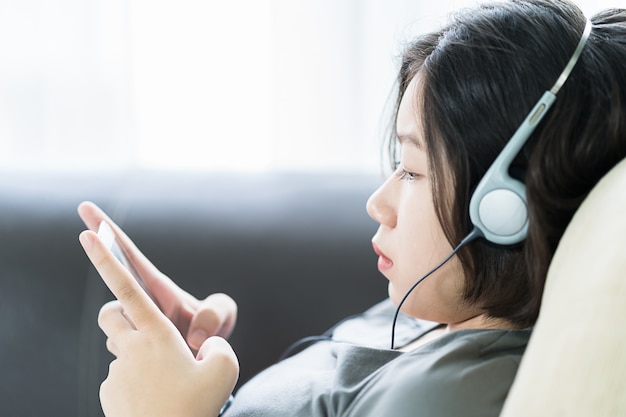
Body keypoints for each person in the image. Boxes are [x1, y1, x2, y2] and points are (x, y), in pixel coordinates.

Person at [78, 0, 626, 416]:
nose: (378, 202)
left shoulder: (441, 395)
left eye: (411, 171)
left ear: (503, 207)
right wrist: (195, 375)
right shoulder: (428, 310)